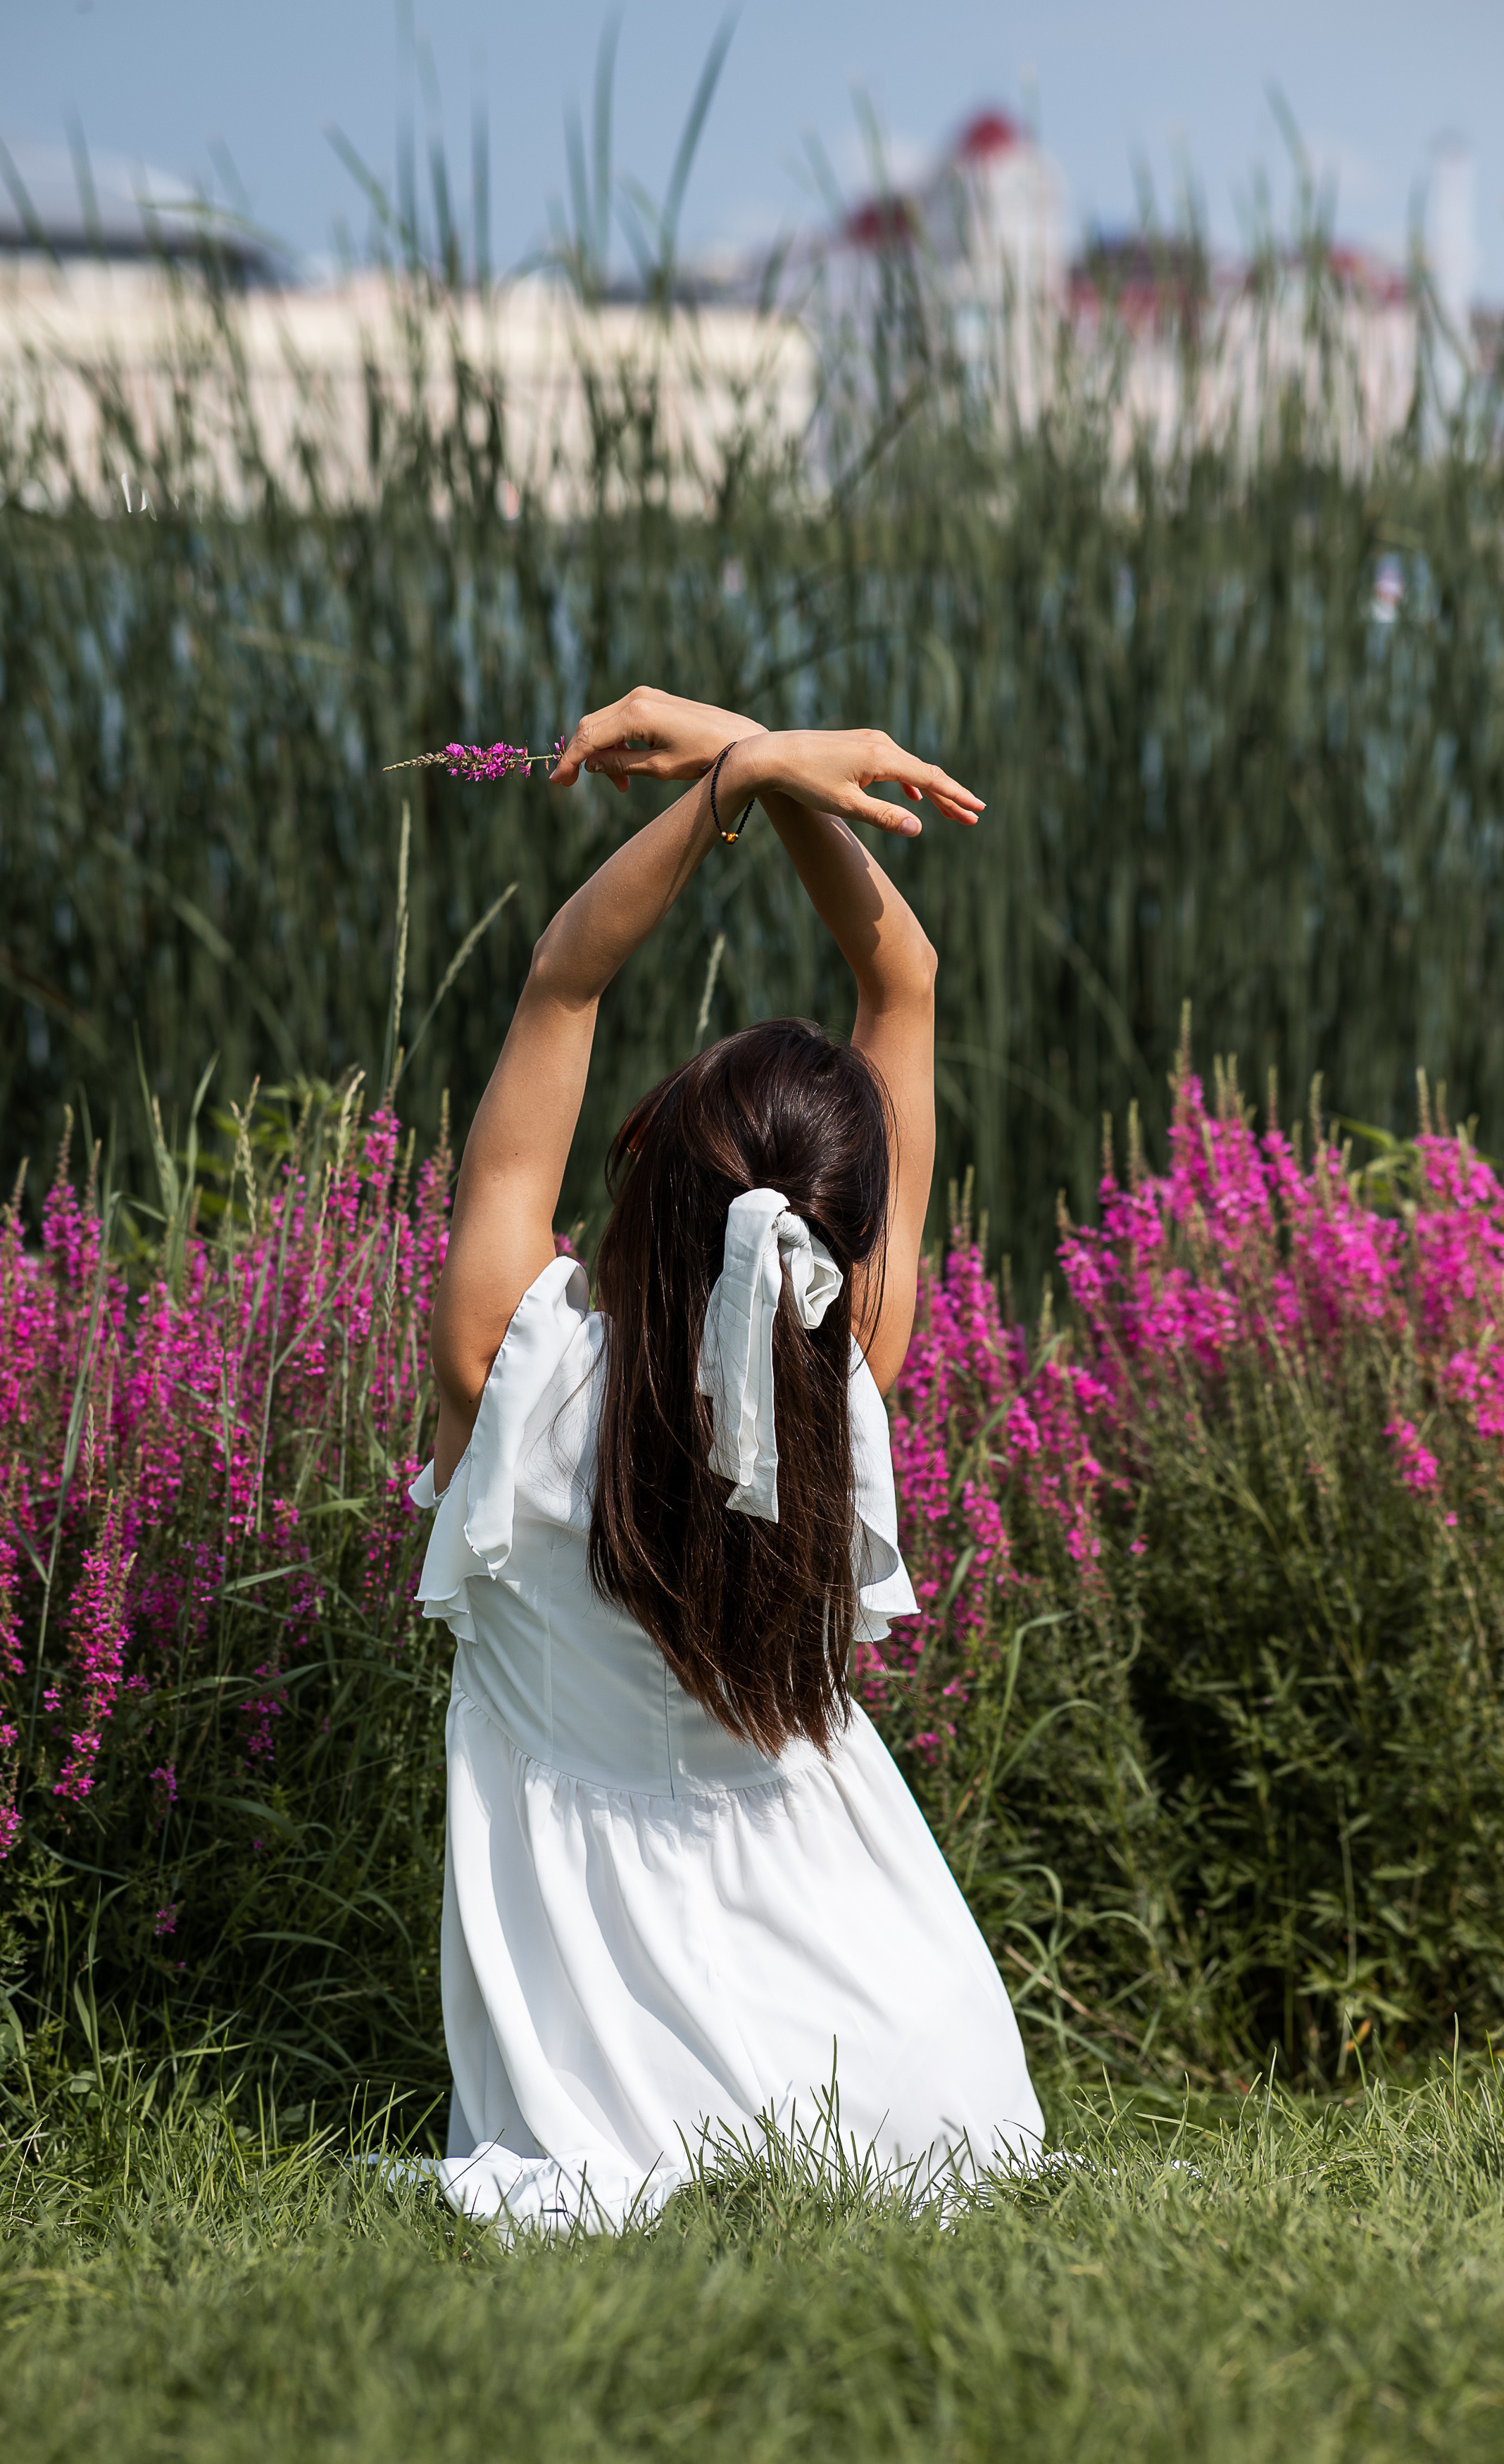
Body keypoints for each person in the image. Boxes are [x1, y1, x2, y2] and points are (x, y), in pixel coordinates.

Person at [408, 687, 1043, 2230]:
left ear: (644, 1168)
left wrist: (731, 783)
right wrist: (753, 754)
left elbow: (563, 981)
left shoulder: (508, 1362)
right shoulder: (850, 1380)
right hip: (901, 2054)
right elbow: (902, 973)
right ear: (838, 1239)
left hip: (610, 2067)